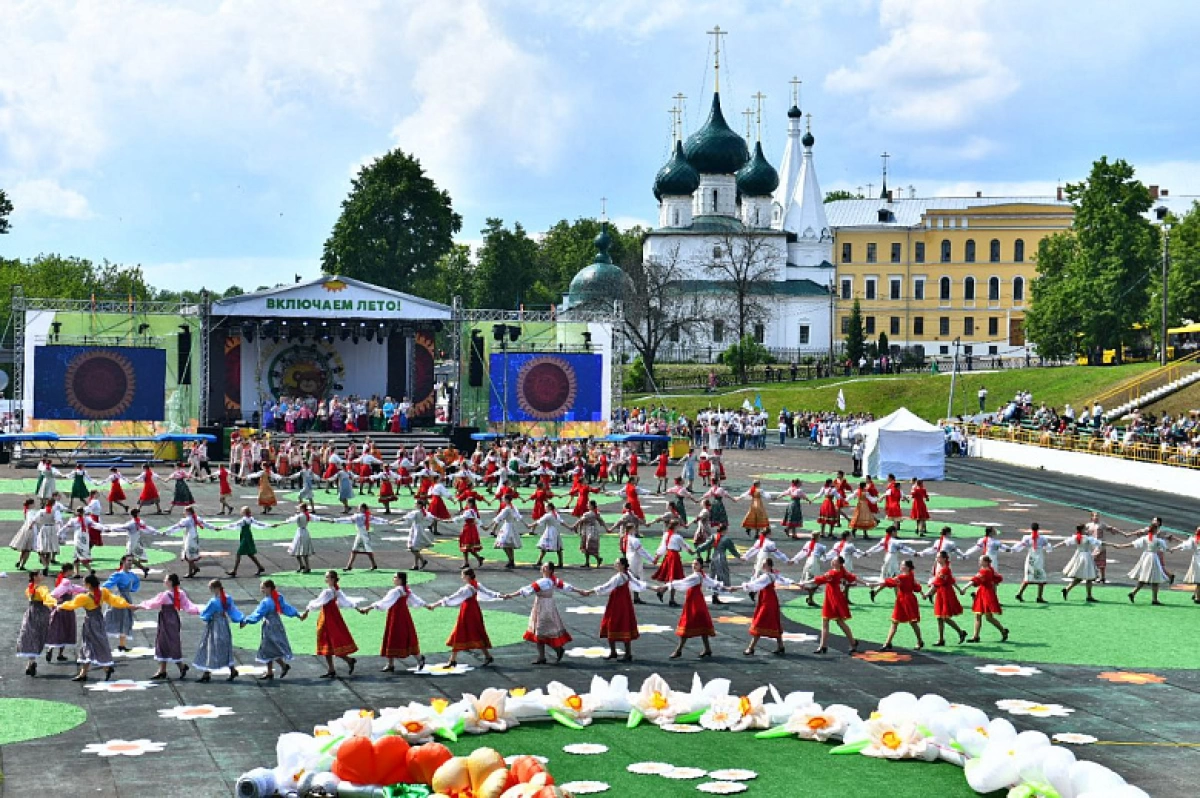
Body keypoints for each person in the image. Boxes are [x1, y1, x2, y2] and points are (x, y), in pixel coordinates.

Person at [52, 573, 136, 681]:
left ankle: (104, 668)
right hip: (99, 621)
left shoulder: (84, 597)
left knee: (89, 645)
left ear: (88, 584)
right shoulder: (103, 592)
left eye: (84, 582)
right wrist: (127, 605)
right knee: (96, 644)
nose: (83, 584)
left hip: (90, 622)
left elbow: (72, 605)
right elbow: (115, 600)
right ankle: (86, 672)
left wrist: (60, 606)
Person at [426, 567, 502, 668]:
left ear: (467, 576)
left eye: (463, 575)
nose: (462, 577)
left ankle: (453, 660)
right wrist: (500, 595)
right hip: (474, 610)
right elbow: (488, 592)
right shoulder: (476, 584)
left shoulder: (467, 589)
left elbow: (453, 597)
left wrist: (435, 604)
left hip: (467, 612)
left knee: (459, 632)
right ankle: (486, 656)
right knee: (476, 632)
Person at [504, 563, 579, 664]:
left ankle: (556, 650)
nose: (543, 568)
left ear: (550, 570)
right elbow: (566, 586)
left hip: (543, 607)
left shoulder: (543, 582)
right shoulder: (553, 580)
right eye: (543, 566)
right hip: (547, 605)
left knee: (541, 631)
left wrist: (511, 595)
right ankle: (543, 656)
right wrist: (580, 591)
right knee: (541, 631)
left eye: (546, 567)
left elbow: (528, 589)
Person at [655, 559, 728, 659]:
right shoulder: (701, 575)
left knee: (687, 625)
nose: (694, 565)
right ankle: (707, 649)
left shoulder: (696, 576)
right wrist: (725, 587)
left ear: (701, 566)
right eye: (693, 564)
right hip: (697, 602)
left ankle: (679, 650)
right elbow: (712, 583)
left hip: (694, 603)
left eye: (696, 564)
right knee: (702, 625)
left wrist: (666, 586)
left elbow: (682, 582)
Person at [358, 572, 426, 672]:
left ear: (400, 579)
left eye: (395, 577)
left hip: (396, 616)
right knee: (407, 637)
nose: (393, 579)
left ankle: (391, 664)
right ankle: (417, 659)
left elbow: (384, 602)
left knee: (392, 636)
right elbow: (416, 600)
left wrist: (369, 607)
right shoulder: (406, 589)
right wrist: (427, 605)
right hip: (404, 616)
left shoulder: (396, 591)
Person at [137, 573, 201, 680]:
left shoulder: (165, 595)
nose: (164, 581)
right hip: (174, 619)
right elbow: (188, 606)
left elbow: (153, 603)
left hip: (166, 619)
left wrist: (140, 605)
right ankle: (166, 669)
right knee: (172, 641)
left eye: (166, 579)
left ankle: (174, 667)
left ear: (170, 582)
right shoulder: (180, 593)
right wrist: (199, 611)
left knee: (163, 642)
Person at [300, 571, 360, 678]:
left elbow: (317, 602)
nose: (325, 579)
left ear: (332, 579)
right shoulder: (336, 590)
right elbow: (346, 601)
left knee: (328, 641)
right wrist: (357, 608)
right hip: (334, 616)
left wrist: (306, 611)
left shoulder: (328, 592)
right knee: (330, 642)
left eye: (327, 577)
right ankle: (336, 666)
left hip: (328, 618)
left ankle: (344, 662)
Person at [240, 579, 303, 680]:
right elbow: (286, 608)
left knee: (269, 647)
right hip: (277, 624)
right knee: (270, 647)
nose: (261, 590)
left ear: (269, 588)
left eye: (263, 588)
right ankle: (272, 671)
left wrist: (246, 620)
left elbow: (258, 614)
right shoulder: (277, 597)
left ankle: (281, 666)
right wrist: (297, 614)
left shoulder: (266, 602)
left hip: (269, 625)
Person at [734, 558, 793, 656]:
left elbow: (754, 584)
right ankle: (780, 646)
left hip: (767, 601)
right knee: (774, 621)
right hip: (770, 599)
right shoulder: (772, 574)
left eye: (764, 564)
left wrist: (737, 587)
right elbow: (784, 580)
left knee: (759, 622)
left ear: (769, 566)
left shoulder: (766, 576)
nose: (762, 565)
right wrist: (796, 583)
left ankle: (751, 647)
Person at [804, 556, 859, 655]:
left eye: (834, 561)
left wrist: (804, 582)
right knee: (831, 622)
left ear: (839, 563)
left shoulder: (833, 573)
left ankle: (851, 642)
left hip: (833, 598)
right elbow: (852, 577)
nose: (832, 561)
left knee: (835, 622)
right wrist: (866, 583)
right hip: (833, 597)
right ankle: (824, 645)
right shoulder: (841, 570)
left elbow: (820, 579)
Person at [591, 557, 643, 661]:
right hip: (624, 602)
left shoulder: (618, 577)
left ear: (622, 565)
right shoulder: (627, 574)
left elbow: (606, 586)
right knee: (624, 624)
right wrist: (652, 587)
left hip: (617, 603)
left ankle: (618, 652)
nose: (615, 565)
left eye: (617, 563)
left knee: (612, 623)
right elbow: (637, 583)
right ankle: (622, 652)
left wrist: (590, 591)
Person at [193, 579, 245, 682]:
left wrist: (205, 617)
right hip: (224, 624)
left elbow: (205, 614)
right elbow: (233, 611)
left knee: (210, 647)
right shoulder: (227, 598)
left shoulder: (213, 601)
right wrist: (240, 619)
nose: (210, 590)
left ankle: (207, 673)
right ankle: (230, 670)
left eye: (211, 588)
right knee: (224, 647)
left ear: (215, 588)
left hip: (214, 625)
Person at [869, 559, 924, 651]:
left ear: (907, 567)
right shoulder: (910, 575)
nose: (901, 566)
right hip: (905, 599)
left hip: (905, 600)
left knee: (911, 622)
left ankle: (919, 641)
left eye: (903, 565)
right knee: (896, 622)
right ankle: (888, 642)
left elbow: (889, 582)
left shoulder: (902, 577)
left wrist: (875, 584)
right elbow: (916, 587)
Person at [1112, 526, 1172, 605]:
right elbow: (1164, 548)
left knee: (1145, 577)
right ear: (1155, 530)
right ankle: (1154, 599)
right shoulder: (1158, 540)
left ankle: (1134, 593)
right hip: (1153, 558)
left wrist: (1121, 546)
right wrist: (1170, 549)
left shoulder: (1146, 538)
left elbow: (1133, 544)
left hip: (1145, 557)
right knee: (1155, 579)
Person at [17, 571, 57, 676]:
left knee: (30, 636)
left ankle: (31, 662)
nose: (42, 576)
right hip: (41, 613)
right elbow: (47, 598)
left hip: (31, 613)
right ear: (35, 577)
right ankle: (44, 653)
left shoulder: (29, 588)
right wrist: (54, 603)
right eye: (40, 574)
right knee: (42, 635)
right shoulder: (42, 588)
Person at [960, 556, 1009, 643]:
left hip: (986, 594)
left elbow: (975, 580)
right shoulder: (989, 569)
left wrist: (964, 588)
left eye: (981, 560)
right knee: (979, 615)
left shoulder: (985, 571)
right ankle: (976, 636)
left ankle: (1003, 630)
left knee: (988, 617)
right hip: (983, 593)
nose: (979, 562)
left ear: (986, 562)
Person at [924, 552, 968, 646]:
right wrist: (960, 590)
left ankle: (960, 632)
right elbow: (951, 580)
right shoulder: (944, 569)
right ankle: (941, 639)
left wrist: (927, 594)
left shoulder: (945, 569)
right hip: (942, 593)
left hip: (945, 594)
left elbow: (937, 583)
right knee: (939, 617)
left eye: (938, 557)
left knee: (944, 617)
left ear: (944, 558)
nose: (937, 559)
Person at [45, 564, 85, 663]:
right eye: (72, 570)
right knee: (65, 629)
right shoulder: (66, 581)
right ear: (68, 570)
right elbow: (56, 593)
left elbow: (73, 588)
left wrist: (84, 590)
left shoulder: (61, 579)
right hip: (65, 608)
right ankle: (59, 653)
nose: (73, 572)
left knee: (57, 629)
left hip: (59, 608)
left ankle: (51, 649)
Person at [102, 556, 141, 652]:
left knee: (126, 620)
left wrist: (131, 590)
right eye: (129, 561)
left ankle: (122, 645)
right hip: (119, 598)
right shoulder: (118, 574)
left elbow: (136, 584)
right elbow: (107, 585)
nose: (130, 563)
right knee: (111, 618)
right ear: (123, 562)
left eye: (131, 561)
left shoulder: (132, 575)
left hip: (127, 598)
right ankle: (102, 643)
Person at [652, 520, 695, 607]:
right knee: (674, 578)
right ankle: (671, 599)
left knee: (671, 577)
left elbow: (662, 547)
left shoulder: (666, 535)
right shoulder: (677, 537)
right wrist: (691, 552)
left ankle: (663, 592)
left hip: (668, 556)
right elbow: (685, 546)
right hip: (674, 557)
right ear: (676, 526)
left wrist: (657, 557)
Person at [217, 507, 269, 578]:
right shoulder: (250, 519)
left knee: (239, 553)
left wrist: (222, 527)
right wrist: (269, 525)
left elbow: (234, 524)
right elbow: (259, 523)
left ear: (243, 513)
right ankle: (260, 567)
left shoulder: (244, 520)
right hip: (248, 536)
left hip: (245, 537)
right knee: (250, 554)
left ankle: (234, 571)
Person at [1011, 523, 1055, 603]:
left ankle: (1020, 593)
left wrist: (1013, 549)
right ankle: (1039, 597)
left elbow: (1020, 545)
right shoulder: (1043, 538)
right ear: (1038, 529)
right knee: (1041, 577)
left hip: (1031, 557)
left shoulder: (1026, 538)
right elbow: (1048, 548)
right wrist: (1051, 548)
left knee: (1028, 576)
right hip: (1038, 557)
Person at [331, 504, 380, 572]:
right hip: (363, 534)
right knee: (357, 550)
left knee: (366, 551)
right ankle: (349, 566)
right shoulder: (367, 515)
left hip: (363, 535)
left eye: (359, 508)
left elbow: (347, 519)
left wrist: (335, 520)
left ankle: (373, 564)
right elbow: (377, 520)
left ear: (363, 509)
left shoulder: (359, 516)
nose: (358, 509)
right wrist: (387, 522)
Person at [1060, 524, 1103, 602]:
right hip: (1086, 557)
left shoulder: (1077, 537)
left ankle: (1067, 589)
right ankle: (1089, 596)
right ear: (1082, 530)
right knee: (1089, 577)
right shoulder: (1087, 538)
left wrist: (1054, 547)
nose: (1087, 530)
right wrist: (1114, 545)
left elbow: (1065, 542)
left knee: (1080, 578)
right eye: (1086, 529)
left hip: (1079, 556)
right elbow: (1099, 543)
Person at [275, 502, 319, 574]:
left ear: (302, 508)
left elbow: (289, 521)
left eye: (299, 507)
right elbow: (319, 518)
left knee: (301, 551)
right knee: (298, 550)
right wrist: (330, 520)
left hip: (300, 533)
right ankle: (302, 565)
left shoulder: (300, 516)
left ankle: (307, 567)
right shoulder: (307, 515)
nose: (298, 508)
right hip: (304, 532)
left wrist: (278, 524)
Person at [488, 497, 524, 570]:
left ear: (507, 500)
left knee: (504, 543)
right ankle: (511, 560)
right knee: (509, 545)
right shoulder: (513, 507)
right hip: (512, 526)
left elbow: (498, 518)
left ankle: (511, 560)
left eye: (504, 499)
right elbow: (518, 517)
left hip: (507, 526)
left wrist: (488, 526)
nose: (503, 500)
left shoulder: (507, 509)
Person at [528, 504, 567, 568]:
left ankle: (539, 561)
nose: (545, 508)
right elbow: (561, 522)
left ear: (549, 507)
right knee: (558, 547)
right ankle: (560, 562)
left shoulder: (548, 515)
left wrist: (530, 525)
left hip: (549, 531)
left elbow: (539, 521)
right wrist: (570, 527)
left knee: (544, 547)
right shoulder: (556, 514)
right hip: (556, 531)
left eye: (546, 507)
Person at [451, 499, 486, 568]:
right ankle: (474, 559)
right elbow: (477, 520)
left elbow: (461, 518)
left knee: (466, 545)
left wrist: (451, 520)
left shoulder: (469, 511)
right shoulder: (473, 511)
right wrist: (483, 527)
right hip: (472, 529)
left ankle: (468, 561)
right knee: (468, 546)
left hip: (468, 529)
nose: (466, 504)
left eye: (467, 503)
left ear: (470, 503)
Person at [572, 500, 604, 568]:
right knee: (586, 547)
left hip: (589, 531)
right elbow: (601, 521)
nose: (587, 505)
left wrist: (575, 526)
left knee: (589, 546)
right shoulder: (595, 513)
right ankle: (588, 562)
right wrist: (607, 529)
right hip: (589, 531)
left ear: (591, 506)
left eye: (588, 504)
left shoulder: (589, 514)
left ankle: (598, 558)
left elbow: (581, 520)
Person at [1172, 527, 1200, 604]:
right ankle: (1197, 597)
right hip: (1198, 560)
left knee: (1198, 578)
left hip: (1196, 560)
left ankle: (1196, 594)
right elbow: (1185, 544)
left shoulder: (1193, 539)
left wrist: (1174, 548)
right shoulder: (1194, 539)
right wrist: (1175, 548)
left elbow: (1185, 545)